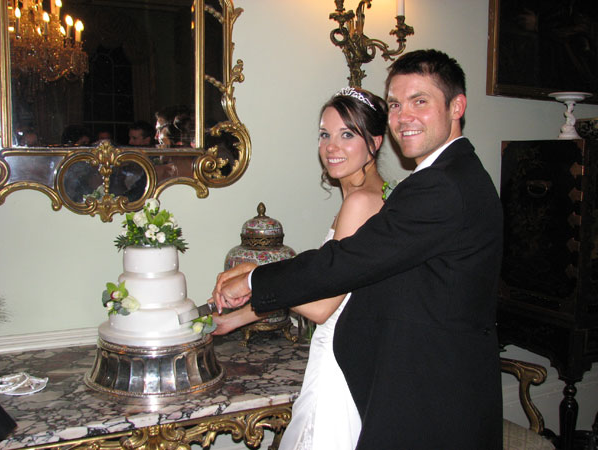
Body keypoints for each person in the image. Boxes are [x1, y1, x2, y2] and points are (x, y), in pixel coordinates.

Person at [212, 49, 504, 449]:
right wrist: (247, 306)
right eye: (396, 104)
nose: (404, 116)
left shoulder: (443, 185)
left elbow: (346, 263)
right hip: (415, 378)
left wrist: (253, 277)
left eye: (420, 101)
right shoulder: (447, 176)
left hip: (434, 393)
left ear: (457, 107)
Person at [213, 87, 387, 450]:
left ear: (375, 141)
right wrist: (238, 318)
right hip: (352, 355)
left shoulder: (360, 203)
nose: (331, 146)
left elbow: (323, 305)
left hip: (339, 362)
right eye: (325, 134)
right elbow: (325, 285)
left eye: (347, 134)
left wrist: (254, 275)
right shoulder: (372, 196)